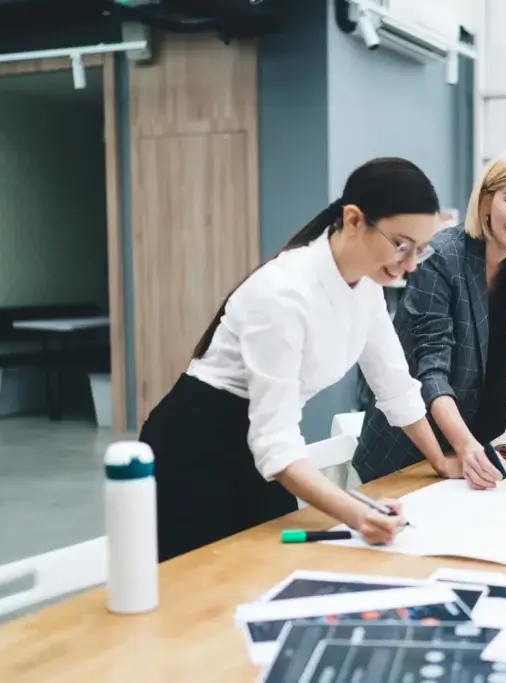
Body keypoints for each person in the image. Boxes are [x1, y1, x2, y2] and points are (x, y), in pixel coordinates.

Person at [139, 157, 461, 562]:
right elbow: (275, 441)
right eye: (401, 245)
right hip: (195, 448)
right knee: (205, 590)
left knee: (270, 572)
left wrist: (441, 461)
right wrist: (358, 513)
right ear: (354, 219)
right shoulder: (282, 294)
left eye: (421, 250)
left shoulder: (365, 288)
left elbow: (396, 386)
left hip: (259, 446)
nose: (411, 264)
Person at [352, 149, 506, 488]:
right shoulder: (441, 258)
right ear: (485, 201)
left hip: (471, 453)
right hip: (407, 460)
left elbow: (476, 346)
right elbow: (431, 370)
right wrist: (465, 447)